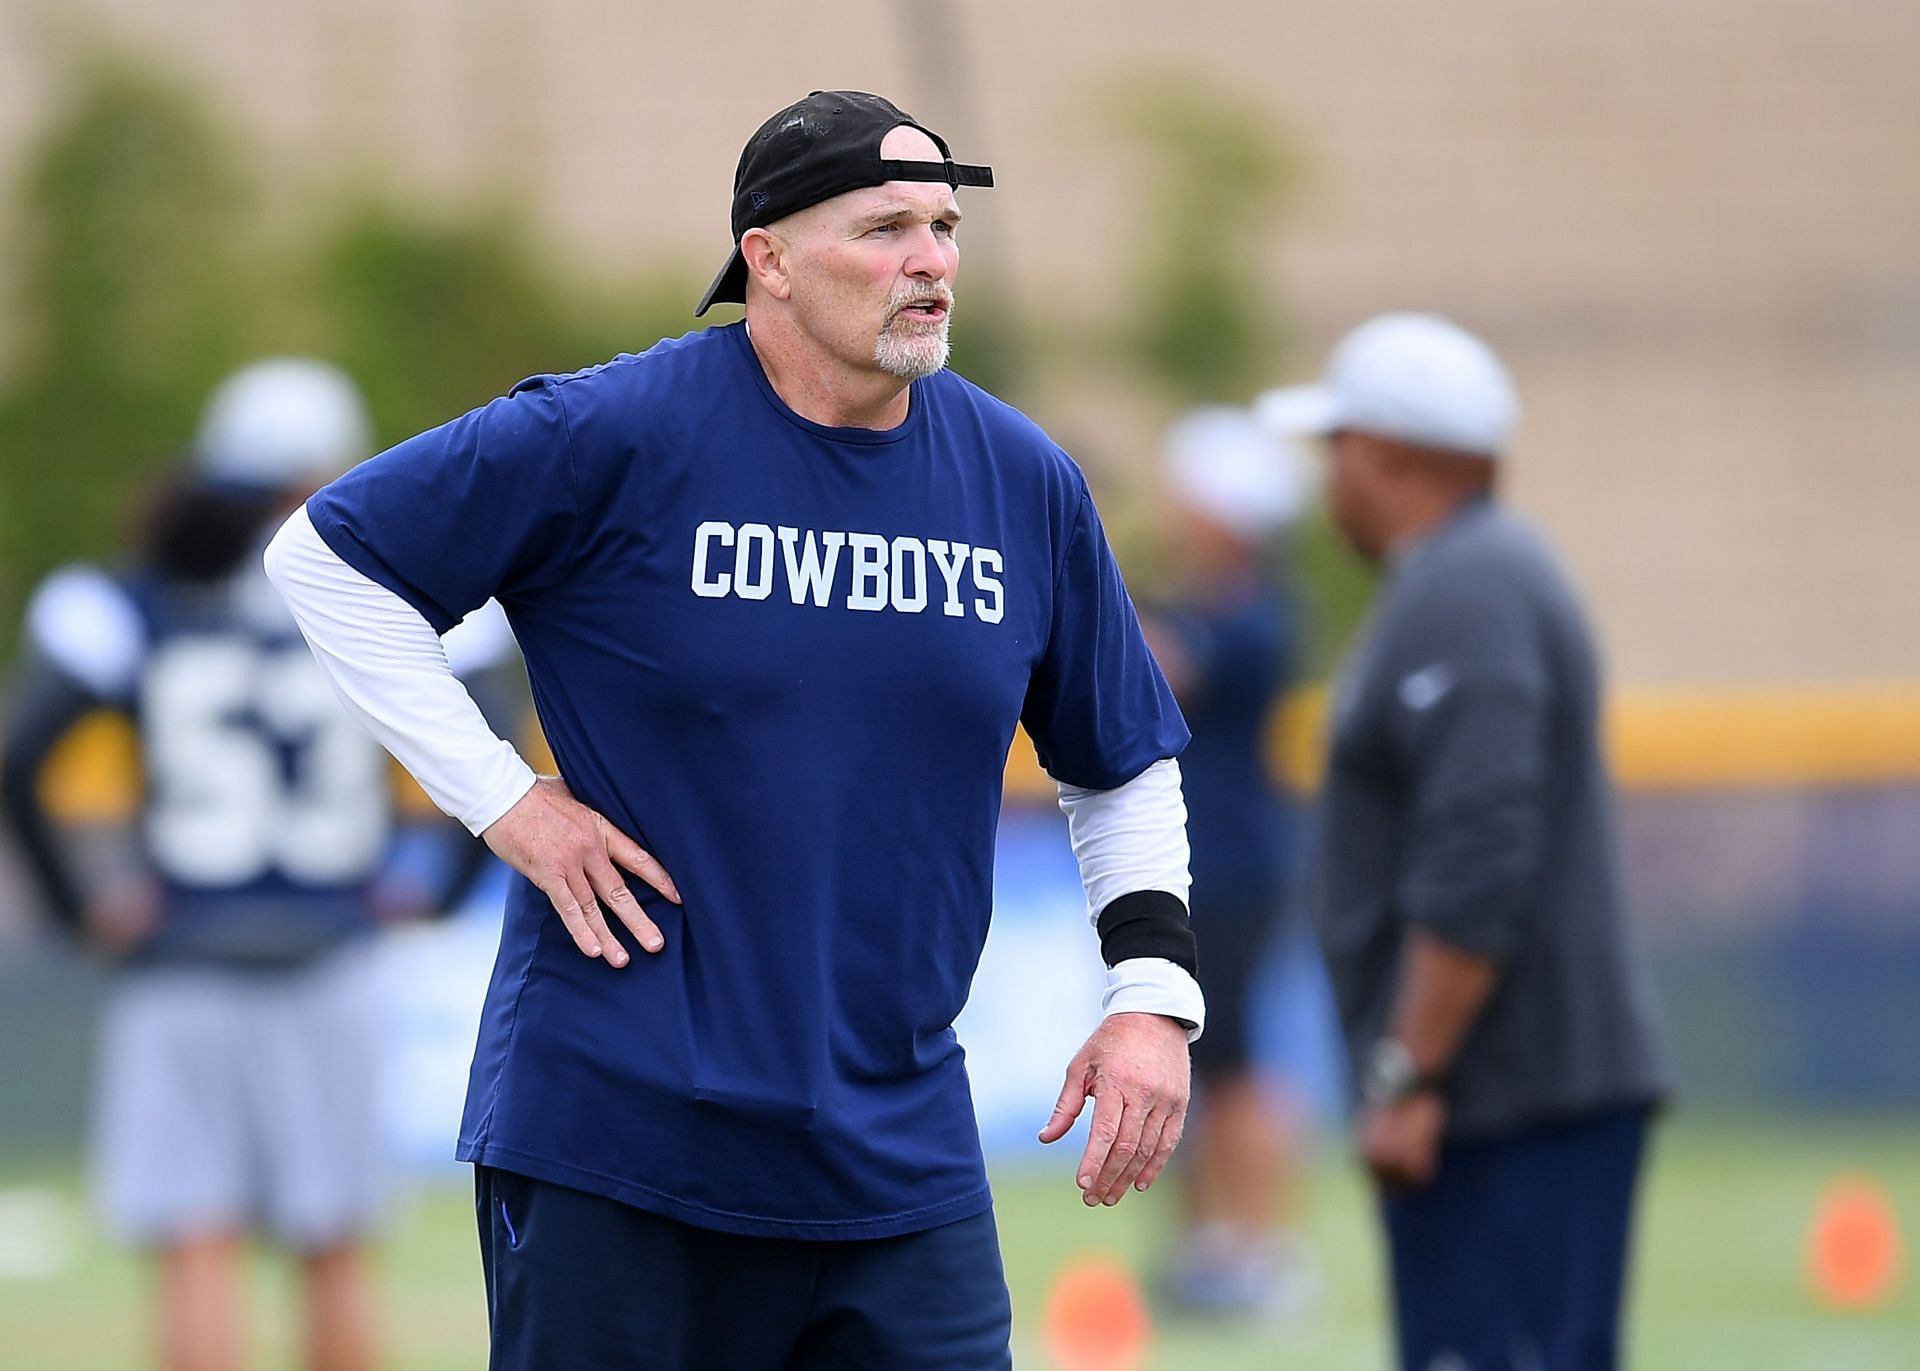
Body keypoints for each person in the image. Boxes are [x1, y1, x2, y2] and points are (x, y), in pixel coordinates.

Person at [262, 90, 1204, 1370]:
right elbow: (325, 559)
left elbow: (1122, 760)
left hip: (899, 1152)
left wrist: (1152, 995)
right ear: (768, 258)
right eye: (884, 230)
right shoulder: (615, 430)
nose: (928, 261)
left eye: (942, 227)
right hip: (622, 1143)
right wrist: (504, 801)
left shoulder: (1020, 478)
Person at [1, 359, 512, 1371]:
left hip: (181, 955)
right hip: (332, 949)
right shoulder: (388, 594)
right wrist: (432, 897)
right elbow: (492, 743)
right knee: (335, 1252)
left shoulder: (119, 602)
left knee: (198, 1245)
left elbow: (21, 760)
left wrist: (77, 911)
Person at [1260, 313, 1670, 1371]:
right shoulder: (1456, 579)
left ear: (1392, 451)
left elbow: (1479, 848)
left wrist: (1409, 1075)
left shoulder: (1470, 587)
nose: (1327, 475)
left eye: (1337, 446)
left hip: (1508, 1098)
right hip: (1499, 1094)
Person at [1139, 408, 1319, 1322]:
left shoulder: (1249, 617)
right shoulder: (1204, 604)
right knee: (1191, 1060)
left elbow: (1151, 665)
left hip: (1234, 869)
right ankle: (1209, 1246)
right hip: (1196, 867)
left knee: (1240, 1060)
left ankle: (1262, 1246)